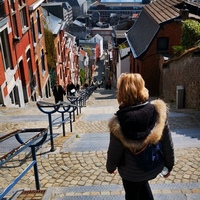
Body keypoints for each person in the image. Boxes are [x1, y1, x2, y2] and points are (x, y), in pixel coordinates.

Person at [106, 73, 174, 200]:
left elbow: (114, 151)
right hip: (154, 166)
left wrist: (110, 168)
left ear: (121, 92)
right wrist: (169, 166)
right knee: (142, 185)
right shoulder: (157, 112)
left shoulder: (118, 122)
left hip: (131, 173)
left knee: (133, 192)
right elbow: (167, 143)